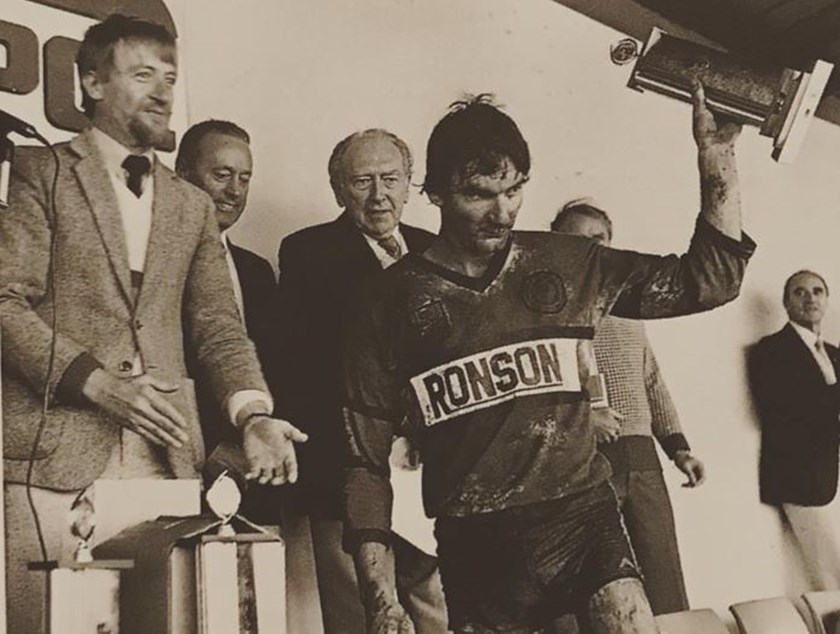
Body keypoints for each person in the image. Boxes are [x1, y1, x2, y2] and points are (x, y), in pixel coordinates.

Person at [341, 87, 755, 634]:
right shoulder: (388, 301)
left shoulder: (568, 262)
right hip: (477, 541)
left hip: (583, 517)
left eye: (514, 190)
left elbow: (710, 281)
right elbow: (364, 464)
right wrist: (381, 599)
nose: (501, 211)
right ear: (435, 193)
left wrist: (716, 158)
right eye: (479, 194)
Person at [0, 15, 305, 633]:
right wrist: (94, 381)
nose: (163, 91)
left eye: (170, 76)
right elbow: (5, 301)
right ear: (90, 82)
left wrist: (253, 414)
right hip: (51, 460)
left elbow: (218, 325)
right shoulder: (43, 172)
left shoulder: (189, 204)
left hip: (163, 460)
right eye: (143, 74)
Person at [276, 129, 447, 633]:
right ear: (337, 190)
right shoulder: (308, 252)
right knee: (361, 617)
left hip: (433, 472)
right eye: (362, 181)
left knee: (439, 606)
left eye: (391, 179)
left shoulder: (437, 249)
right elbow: (308, 367)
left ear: (410, 182)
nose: (379, 196)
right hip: (347, 467)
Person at [551, 201, 705, 615]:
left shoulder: (629, 305)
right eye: (575, 238)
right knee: (598, 587)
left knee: (663, 577)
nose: (588, 247)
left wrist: (679, 448)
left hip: (642, 461)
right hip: (582, 465)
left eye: (597, 239)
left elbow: (651, 379)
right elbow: (544, 389)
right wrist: (584, 418)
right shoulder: (544, 309)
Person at [175, 118, 287, 522]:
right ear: (182, 174)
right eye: (221, 174)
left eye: (244, 177)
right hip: (182, 464)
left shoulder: (256, 270)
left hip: (255, 468)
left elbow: (271, 365)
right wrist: (212, 446)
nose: (234, 190)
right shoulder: (158, 264)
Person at [748, 270, 840, 590]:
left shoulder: (835, 354)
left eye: (817, 291)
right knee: (829, 575)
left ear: (826, 301)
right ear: (786, 303)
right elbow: (786, 412)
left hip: (830, 475)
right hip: (798, 478)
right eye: (800, 292)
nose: (810, 298)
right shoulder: (771, 350)